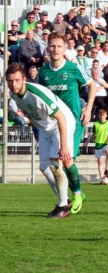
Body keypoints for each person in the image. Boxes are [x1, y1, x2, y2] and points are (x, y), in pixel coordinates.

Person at [6, 63, 75, 218]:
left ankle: (63, 206)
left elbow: (61, 116)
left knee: (54, 164)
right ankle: (64, 200)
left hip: (61, 123)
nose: (13, 84)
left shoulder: (36, 93)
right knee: (44, 167)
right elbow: (31, 113)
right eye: (10, 81)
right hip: (45, 128)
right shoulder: (15, 94)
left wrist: (63, 145)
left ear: (24, 79)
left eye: (17, 80)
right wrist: (36, 129)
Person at [39, 33, 96, 213]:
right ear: (48, 48)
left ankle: (77, 194)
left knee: (66, 160)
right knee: (52, 165)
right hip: (53, 122)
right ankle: (70, 194)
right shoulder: (43, 73)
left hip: (74, 120)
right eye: (52, 46)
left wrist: (87, 109)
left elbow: (92, 85)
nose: (55, 49)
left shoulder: (73, 68)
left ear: (65, 49)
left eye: (59, 46)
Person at [83, 108, 108, 183]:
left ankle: (106, 170)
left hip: (105, 143)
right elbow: (93, 134)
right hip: (98, 144)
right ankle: (102, 178)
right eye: (100, 115)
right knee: (100, 162)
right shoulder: (96, 124)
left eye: (103, 115)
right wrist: (87, 142)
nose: (102, 116)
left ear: (106, 115)